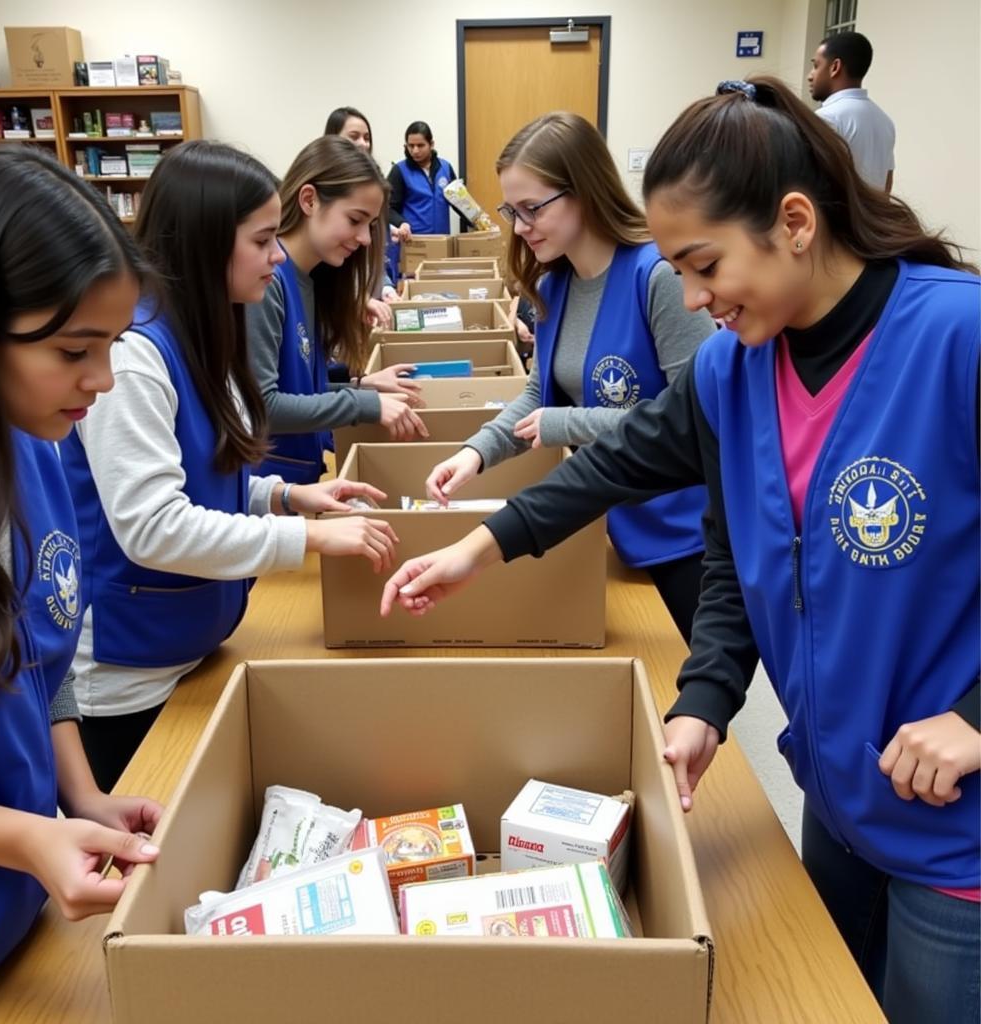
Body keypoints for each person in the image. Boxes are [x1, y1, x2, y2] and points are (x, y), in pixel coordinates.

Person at [381, 78, 979, 1024]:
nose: (695, 298)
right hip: (842, 793)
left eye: (704, 266)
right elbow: (685, 514)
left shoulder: (957, 336)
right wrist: (485, 549)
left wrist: (975, 716)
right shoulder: (735, 368)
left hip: (961, 836)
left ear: (793, 222)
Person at [60, 141, 399, 792]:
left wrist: (286, 500)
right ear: (207, 243)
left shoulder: (208, 335)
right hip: (130, 678)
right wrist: (306, 537)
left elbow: (210, 476)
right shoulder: (133, 357)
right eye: (263, 239)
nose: (278, 256)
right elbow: (155, 528)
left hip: (194, 646)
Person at [0, 146, 163, 1017]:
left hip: (19, 910)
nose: (103, 380)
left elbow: (47, 650)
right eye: (76, 348)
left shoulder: (34, 447)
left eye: (112, 344)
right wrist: (17, 835)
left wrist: (80, 793)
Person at [424, 112, 716, 640]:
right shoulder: (553, 286)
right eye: (511, 210)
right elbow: (540, 392)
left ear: (583, 191)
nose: (519, 226)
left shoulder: (658, 278)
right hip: (610, 523)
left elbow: (695, 419)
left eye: (532, 209)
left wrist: (565, 424)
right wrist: (477, 451)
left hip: (682, 537)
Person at [246, 135, 428, 485]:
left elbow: (301, 388)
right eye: (355, 220)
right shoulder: (268, 281)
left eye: (370, 225)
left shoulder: (311, 279)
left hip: (298, 479)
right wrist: (365, 404)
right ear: (310, 200)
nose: (365, 239)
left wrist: (361, 387)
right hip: (267, 487)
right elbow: (263, 406)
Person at [323, 106, 401, 309]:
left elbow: (371, 256)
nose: (363, 144)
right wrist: (357, 300)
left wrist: (385, 287)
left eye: (367, 138)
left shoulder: (374, 184)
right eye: (354, 136)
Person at [808, 31, 895, 192]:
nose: (810, 76)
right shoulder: (885, 121)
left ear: (835, 67)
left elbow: (813, 184)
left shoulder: (826, 118)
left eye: (816, 66)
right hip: (872, 217)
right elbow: (887, 184)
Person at [387, 120, 456, 242]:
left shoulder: (445, 168)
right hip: (413, 243)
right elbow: (387, 209)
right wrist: (401, 223)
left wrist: (480, 221)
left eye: (420, 145)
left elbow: (461, 203)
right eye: (411, 146)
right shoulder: (399, 171)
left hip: (443, 242)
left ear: (431, 144)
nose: (415, 151)